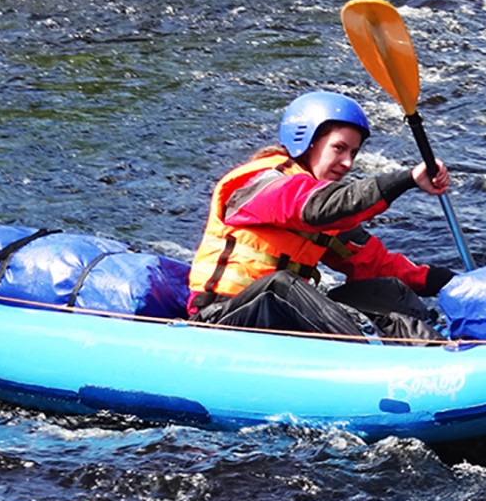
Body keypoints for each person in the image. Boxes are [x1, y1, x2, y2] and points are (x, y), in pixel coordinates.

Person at [186, 91, 457, 340]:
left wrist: (454, 283)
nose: (348, 162)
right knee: (280, 286)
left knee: (384, 288)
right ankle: (365, 354)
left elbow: (376, 264)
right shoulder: (262, 182)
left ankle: (437, 345)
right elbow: (315, 207)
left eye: (353, 152)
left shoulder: (326, 212)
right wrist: (406, 179)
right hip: (220, 318)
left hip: (277, 318)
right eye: (339, 148)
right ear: (307, 142)